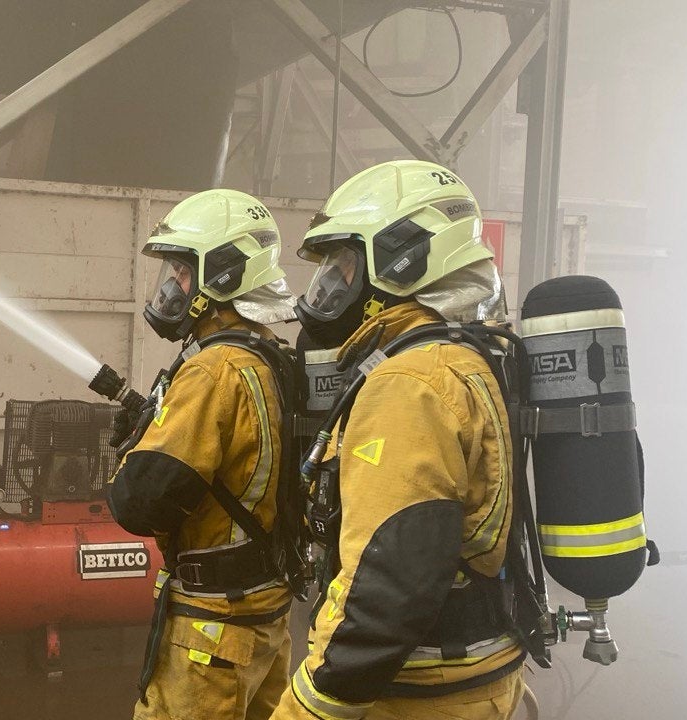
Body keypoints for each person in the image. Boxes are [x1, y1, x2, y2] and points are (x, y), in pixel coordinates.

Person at [272, 160, 527, 720]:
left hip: (417, 692)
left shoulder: (409, 384)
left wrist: (307, 705)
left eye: (343, 264)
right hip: (471, 675)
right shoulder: (465, 356)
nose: (329, 287)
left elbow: (386, 589)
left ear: (401, 260)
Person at [107, 188, 301, 720]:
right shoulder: (271, 357)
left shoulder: (212, 371)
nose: (171, 286)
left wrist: (129, 449)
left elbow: (139, 503)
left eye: (182, 271)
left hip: (211, 631)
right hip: (265, 619)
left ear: (224, 276)